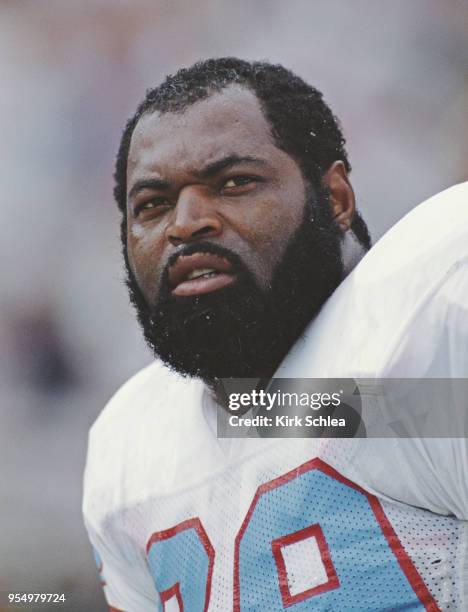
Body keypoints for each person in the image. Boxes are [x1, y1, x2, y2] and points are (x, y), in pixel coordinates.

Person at [83, 58, 468, 611]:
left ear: (335, 199)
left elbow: (361, 411)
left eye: (235, 183)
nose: (187, 223)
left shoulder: (424, 323)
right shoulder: (131, 446)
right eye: (153, 204)